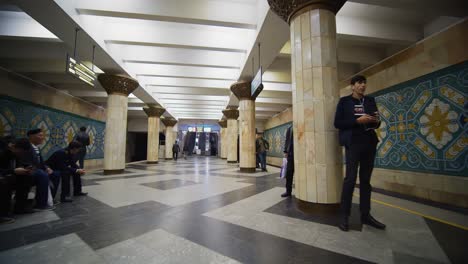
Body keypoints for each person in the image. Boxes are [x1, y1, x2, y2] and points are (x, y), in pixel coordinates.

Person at [334, 75, 386, 232]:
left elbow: (377, 121)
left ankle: (366, 215)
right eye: (359, 83)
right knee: (350, 179)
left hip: (370, 143)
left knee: (365, 180)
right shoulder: (345, 102)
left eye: (364, 83)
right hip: (353, 143)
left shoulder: (370, 100)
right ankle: (344, 216)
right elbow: (338, 123)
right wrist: (357, 121)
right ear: (352, 86)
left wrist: (375, 121)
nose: (362, 85)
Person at [0, 137, 35, 223]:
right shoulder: (2, 152)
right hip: (4, 177)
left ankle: (20, 207)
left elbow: (18, 165)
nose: (22, 154)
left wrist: (25, 168)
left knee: (26, 178)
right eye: (21, 152)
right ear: (14, 147)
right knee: (5, 181)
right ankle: (2, 214)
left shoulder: (16, 154)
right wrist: (13, 171)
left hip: (9, 175)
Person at [23, 128, 54, 211]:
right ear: (31, 136)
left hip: (38, 170)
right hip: (30, 172)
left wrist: (47, 168)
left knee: (55, 174)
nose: (42, 137)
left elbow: (41, 162)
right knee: (42, 175)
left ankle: (50, 199)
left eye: (43, 135)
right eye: (40, 135)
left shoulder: (36, 147)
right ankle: (41, 204)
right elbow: (25, 162)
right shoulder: (27, 147)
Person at [281, 125, 294, 197]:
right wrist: (285, 151)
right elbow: (287, 140)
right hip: (290, 154)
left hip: (301, 155)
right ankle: (288, 191)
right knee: (289, 173)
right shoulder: (290, 128)